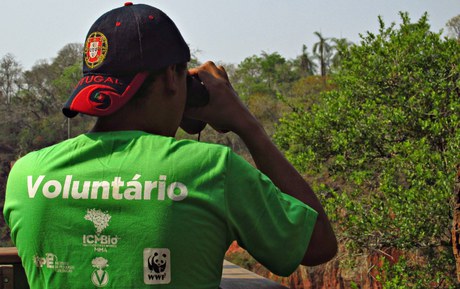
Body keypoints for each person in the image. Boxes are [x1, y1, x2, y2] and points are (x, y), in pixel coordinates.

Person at [4, 2, 337, 289]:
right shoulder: (212, 169)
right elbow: (318, 245)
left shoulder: (26, 177)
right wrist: (248, 126)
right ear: (169, 78)